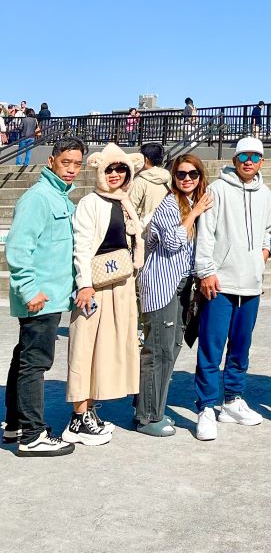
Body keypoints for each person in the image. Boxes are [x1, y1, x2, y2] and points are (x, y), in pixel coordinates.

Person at [3, 136, 85, 456]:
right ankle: (32, 435)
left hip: (51, 293)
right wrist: (29, 289)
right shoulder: (38, 198)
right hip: (40, 295)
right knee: (35, 363)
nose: (71, 169)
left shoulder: (60, 197)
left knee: (25, 358)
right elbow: (18, 248)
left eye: (77, 164)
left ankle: (15, 425)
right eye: (66, 162)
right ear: (51, 161)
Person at [193, 136, 271, 440]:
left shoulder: (266, 193)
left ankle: (232, 400)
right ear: (234, 160)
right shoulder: (217, 189)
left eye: (254, 157)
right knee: (211, 348)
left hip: (251, 283)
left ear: (262, 161)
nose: (248, 162)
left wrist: (263, 255)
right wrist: (206, 271)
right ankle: (206, 407)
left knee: (241, 347)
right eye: (243, 157)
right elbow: (206, 233)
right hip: (220, 282)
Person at [65, 144, 146, 445]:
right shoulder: (90, 202)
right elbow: (82, 246)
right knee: (85, 348)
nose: (115, 174)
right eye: (109, 169)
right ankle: (77, 419)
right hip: (96, 285)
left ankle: (89, 410)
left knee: (105, 350)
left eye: (121, 168)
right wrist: (84, 284)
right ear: (99, 171)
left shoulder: (124, 201)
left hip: (120, 283)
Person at [135, 153, 213, 436]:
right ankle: (147, 417)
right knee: (158, 351)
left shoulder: (193, 201)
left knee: (171, 348)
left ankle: (152, 407)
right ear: (173, 177)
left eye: (193, 174)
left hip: (181, 285)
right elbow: (171, 242)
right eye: (181, 174)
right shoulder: (170, 204)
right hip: (162, 285)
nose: (187, 179)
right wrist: (194, 214)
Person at [131, 142, 172, 230]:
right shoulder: (168, 178)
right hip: (165, 228)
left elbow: (130, 208)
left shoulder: (140, 181)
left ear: (145, 159)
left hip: (144, 230)